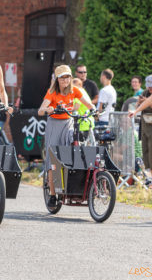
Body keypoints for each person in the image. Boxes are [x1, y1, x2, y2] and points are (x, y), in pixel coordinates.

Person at [38, 65, 96, 208]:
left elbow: (89, 104)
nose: (65, 80)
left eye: (67, 77)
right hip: (54, 124)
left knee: (73, 148)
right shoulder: (52, 93)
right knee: (54, 160)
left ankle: (75, 181)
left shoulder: (75, 90)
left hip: (68, 122)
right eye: (62, 77)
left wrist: (94, 110)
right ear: (57, 79)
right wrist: (48, 109)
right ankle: (52, 195)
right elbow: (40, 111)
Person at [137, 74, 152, 189]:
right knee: (147, 154)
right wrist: (140, 102)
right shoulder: (145, 93)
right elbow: (140, 107)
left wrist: (148, 101)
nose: (150, 88)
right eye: (149, 86)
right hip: (145, 126)